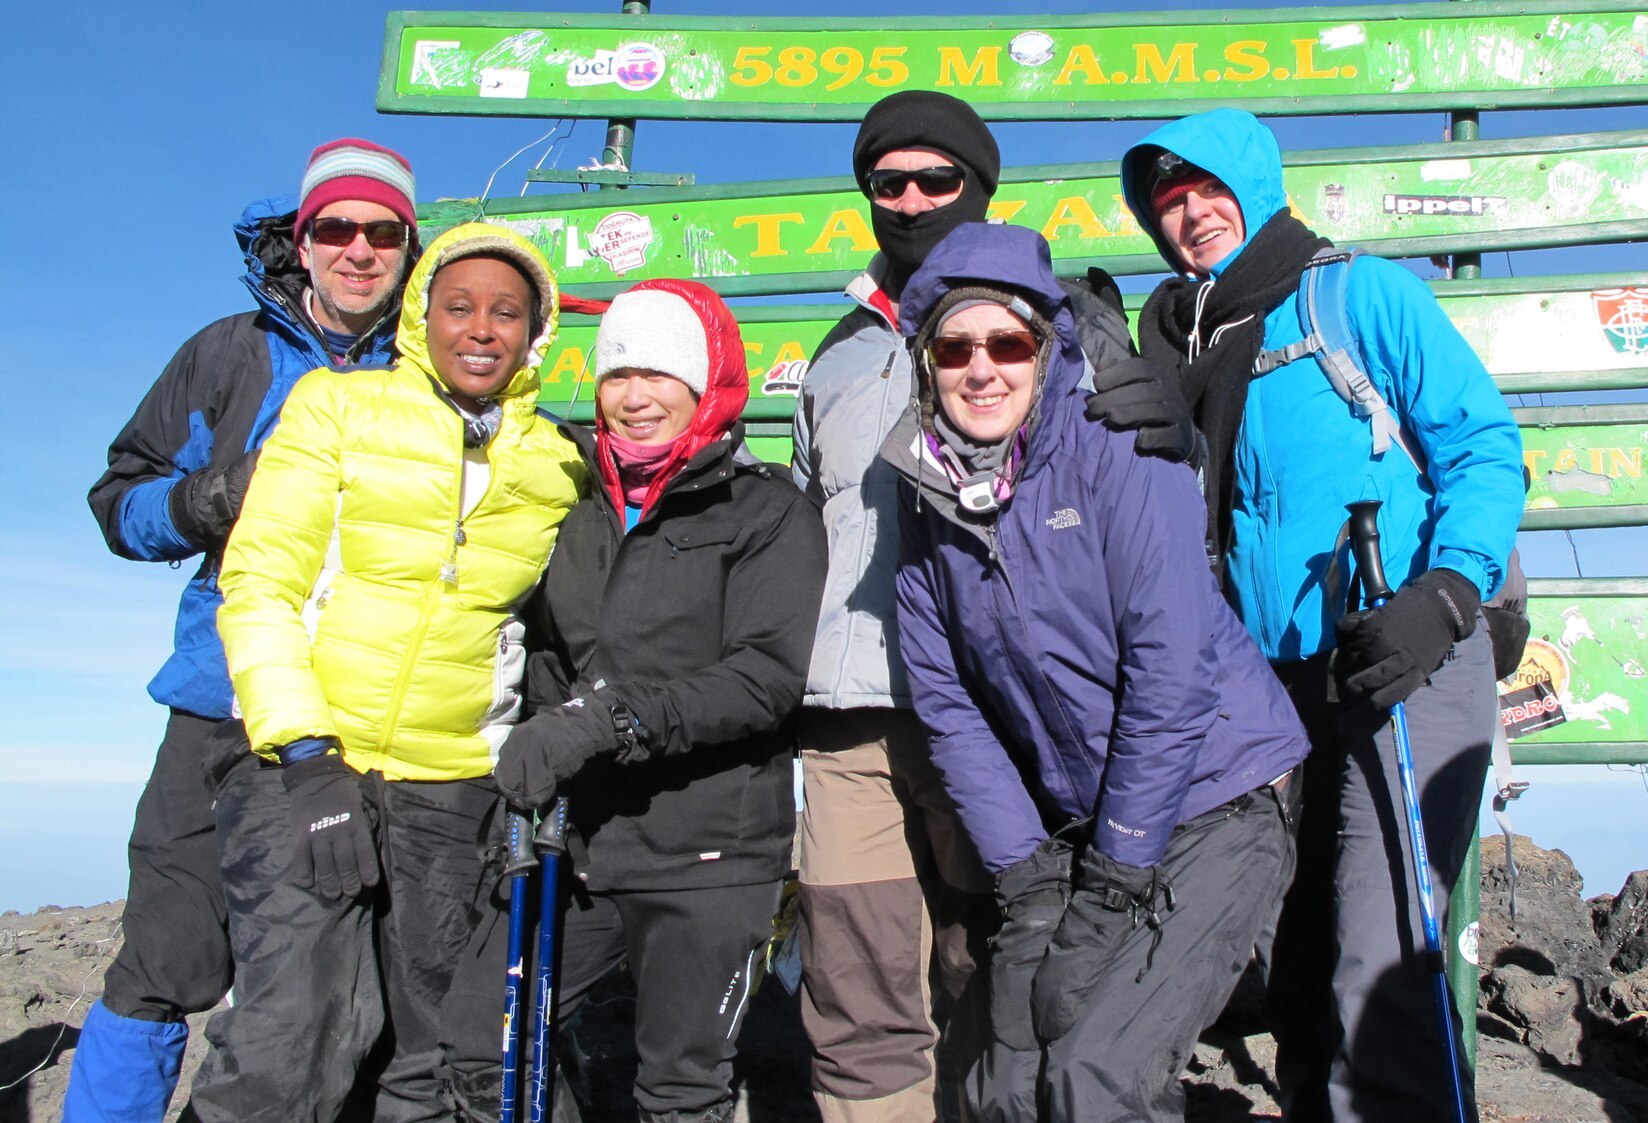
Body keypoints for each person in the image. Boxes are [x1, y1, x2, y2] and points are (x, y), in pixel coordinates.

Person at [1119, 108, 1526, 1123]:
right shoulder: (1179, 343)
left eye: (1205, 186)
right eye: (1165, 198)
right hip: (1270, 690)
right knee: (1295, 961)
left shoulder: (1355, 296)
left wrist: (1444, 593)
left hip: (1405, 658)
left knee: (1381, 949)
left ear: (1253, 183)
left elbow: (1480, 445)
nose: (1188, 212)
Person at [887, 221, 1309, 1122]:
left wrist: (1115, 877)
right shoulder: (921, 490)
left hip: (1220, 793)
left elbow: (1173, 671)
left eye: (1007, 342)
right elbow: (947, 697)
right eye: (955, 346)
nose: (981, 368)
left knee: (1096, 1077)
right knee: (999, 1083)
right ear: (927, 361)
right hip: (1078, 827)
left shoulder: (1117, 444)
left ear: (1043, 350)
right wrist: (1029, 878)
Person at [787, 90, 1147, 1122]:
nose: (906, 199)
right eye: (884, 181)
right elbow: (814, 516)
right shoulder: (838, 351)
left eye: (933, 179)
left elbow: (1131, 489)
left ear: (978, 189)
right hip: (853, 716)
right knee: (855, 990)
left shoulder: (1058, 326)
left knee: (1002, 972)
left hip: (1005, 714)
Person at [197, 222, 586, 1121]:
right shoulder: (337, 408)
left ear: (536, 332)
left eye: (506, 313)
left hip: (451, 787)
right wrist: (303, 753)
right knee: (287, 1043)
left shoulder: (555, 464)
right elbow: (258, 584)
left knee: (428, 1055)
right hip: (305, 767)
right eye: (458, 306)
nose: (481, 329)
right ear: (421, 316)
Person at [74, 138, 419, 1123]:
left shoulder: (428, 368)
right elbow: (119, 504)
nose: (358, 249)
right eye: (336, 229)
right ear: (299, 243)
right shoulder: (228, 352)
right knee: (162, 960)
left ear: (406, 246)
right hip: (216, 701)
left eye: (381, 231)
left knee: (336, 984)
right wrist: (216, 496)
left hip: (352, 722)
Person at [438, 278, 827, 1123]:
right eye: (618, 374)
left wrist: (605, 723)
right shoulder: (576, 515)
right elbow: (550, 658)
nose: (635, 395)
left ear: (704, 385)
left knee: (680, 1091)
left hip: (708, 854)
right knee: (481, 1042)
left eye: (659, 373)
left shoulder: (765, 512)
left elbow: (765, 678)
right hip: (575, 845)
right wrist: (542, 739)